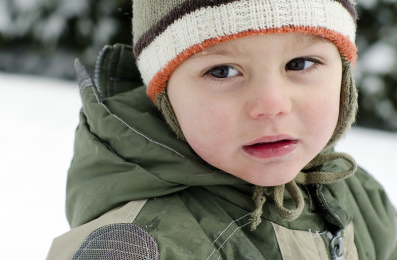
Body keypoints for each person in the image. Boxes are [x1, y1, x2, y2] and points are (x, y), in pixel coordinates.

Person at [47, 0, 397, 259]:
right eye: (223, 71)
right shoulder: (136, 246)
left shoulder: (355, 193)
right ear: (165, 95)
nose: (271, 105)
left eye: (300, 64)